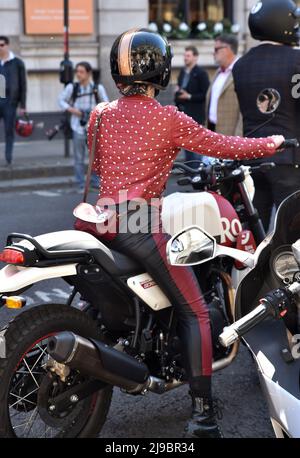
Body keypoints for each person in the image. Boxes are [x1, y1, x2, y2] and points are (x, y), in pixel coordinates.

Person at [75, 28, 284, 438]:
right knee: (197, 311)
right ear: (162, 69)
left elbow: (97, 163)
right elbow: (222, 144)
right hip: (136, 223)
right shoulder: (168, 117)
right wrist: (271, 143)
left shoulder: (100, 113)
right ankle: (203, 414)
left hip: (94, 221)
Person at [233, 0, 300, 232]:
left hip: (252, 158)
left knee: (255, 230)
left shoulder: (241, 65)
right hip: (289, 158)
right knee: (292, 234)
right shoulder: (295, 60)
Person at [58, 61, 109, 190]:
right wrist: (72, 110)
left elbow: (107, 105)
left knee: (96, 157)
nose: (78, 74)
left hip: (94, 127)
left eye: (81, 72)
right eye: (77, 72)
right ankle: (81, 183)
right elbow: (60, 100)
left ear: (89, 73)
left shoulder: (97, 88)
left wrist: (95, 112)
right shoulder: (72, 87)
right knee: (79, 158)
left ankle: (95, 182)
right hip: (77, 127)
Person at [175, 46, 210, 166]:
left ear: (195, 57)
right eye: (184, 56)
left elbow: (206, 94)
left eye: (188, 56)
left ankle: (198, 173)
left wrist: (189, 96)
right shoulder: (182, 72)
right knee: (186, 146)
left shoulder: (201, 73)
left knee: (196, 147)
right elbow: (179, 91)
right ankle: (190, 174)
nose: (185, 58)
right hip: (184, 115)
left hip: (196, 115)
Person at [207, 34, 242, 136]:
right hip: (212, 130)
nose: (213, 53)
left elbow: (245, 110)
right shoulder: (218, 72)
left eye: (216, 49)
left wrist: (238, 137)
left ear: (227, 49)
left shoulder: (241, 70)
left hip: (230, 135)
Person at [0, 36, 27, 167]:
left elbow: (23, 85)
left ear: (7, 45)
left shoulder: (17, 63)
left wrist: (23, 105)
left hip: (10, 102)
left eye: (1, 45)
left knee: (8, 130)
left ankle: (8, 157)